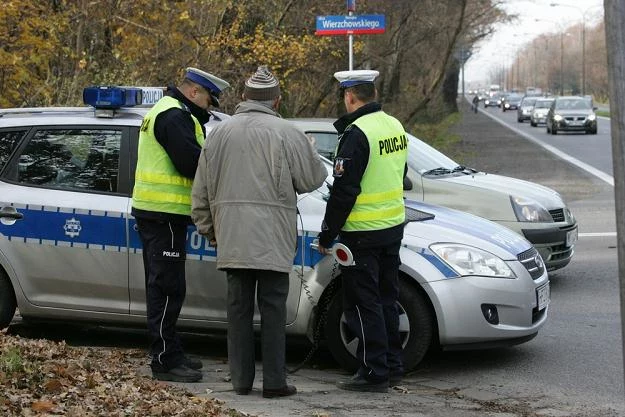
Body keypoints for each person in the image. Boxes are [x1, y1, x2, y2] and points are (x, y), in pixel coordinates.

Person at [191, 66, 327, 398]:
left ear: (243, 98)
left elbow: (201, 193)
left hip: (232, 238)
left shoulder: (218, 134)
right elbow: (314, 178)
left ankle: (240, 382)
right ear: (276, 101)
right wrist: (307, 150)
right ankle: (275, 383)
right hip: (273, 240)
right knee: (273, 311)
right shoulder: (288, 133)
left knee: (237, 312)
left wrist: (210, 231)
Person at [131, 67, 230, 383]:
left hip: (162, 215)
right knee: (166, 288)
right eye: (208, 101)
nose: (209, 108)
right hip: (164, 215)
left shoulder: (168, 111)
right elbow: (192, 164)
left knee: (169, 287)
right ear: (193, 93)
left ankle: (171, 350)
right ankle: (163, 360)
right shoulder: (174, 116)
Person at [317, 69, 408, 393]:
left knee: (363, 302)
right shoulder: (393, 125)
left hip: (362, 232)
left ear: (350, 96)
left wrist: (327, 234)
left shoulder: (357, 133)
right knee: (387, 298)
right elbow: (402, 172)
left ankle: (373, 372)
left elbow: (344, 190)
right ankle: (393, 365)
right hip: (392, 226)